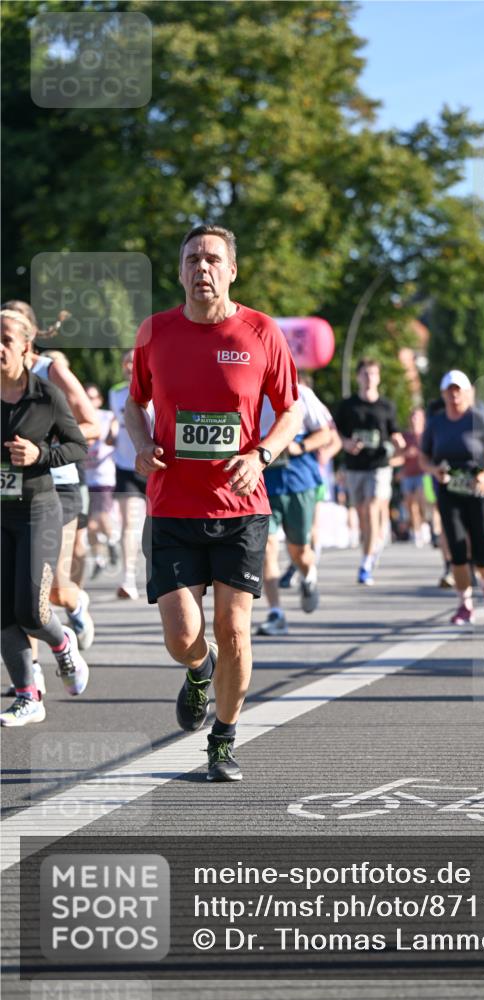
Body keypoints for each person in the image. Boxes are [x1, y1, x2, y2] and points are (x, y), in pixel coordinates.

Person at [124, 224, 300, 782]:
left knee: (234, 628)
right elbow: (134, 404)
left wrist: (262, 454)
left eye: (213, 259)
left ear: (231, 271)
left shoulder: (261, 332)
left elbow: (290, 410)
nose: (202, 268)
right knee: (181, 634)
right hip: (173, 503)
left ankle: (223, 738)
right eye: (192, 259)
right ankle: (199, 671)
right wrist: (142, 444)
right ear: (179, 273)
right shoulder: (155, 333)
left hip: (240, 507)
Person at [1, 308, 90, 726]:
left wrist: (41, 456)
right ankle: (27, 695)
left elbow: (77, 445)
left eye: (5, 340)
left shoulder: (44, 395)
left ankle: (62, 643)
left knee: (33, 612)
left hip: (38, 510)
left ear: (25, 347)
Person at [420, 370, 484, 625]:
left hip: (476, 488)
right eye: (450, 390)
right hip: (448, 490)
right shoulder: (435, 423)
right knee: (456, 547)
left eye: (459, 390)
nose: (454, 395)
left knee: (481, 549)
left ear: (468, 393)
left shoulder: (479, 420)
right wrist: (433, 470)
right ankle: (464, 603)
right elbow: (424, 456)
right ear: (443, 394)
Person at [256, 380, 334, 636]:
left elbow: (325, 433)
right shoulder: (249, 389)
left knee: (299, 551)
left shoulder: (301, 392)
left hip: (299, 483)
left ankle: (309, 574)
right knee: (267, 547)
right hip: (264, 484)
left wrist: (299, 446)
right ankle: (276, 612)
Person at [335, 358, 405, 585]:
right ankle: (372, 545)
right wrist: (346, 444)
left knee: (373, 506)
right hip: (355, 466)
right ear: (358, 377)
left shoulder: (386, 406)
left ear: (379, 378)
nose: (369, 378)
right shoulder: (348, 405)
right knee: (362, 512)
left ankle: (366, 562)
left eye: (373, 374)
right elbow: (335, 433)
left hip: (379, 465)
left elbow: (393, 432)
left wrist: (399, 443)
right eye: (365, 374)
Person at [109, 349, 151, 600]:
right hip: (126, 465)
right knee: (128, 524)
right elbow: (115, 421)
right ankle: (127, 578)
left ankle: (158, 572)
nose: (129, 366)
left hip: (155, 465)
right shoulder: (115, 393)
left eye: (134, 362)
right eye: (126, 362)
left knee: (156, 523)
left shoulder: (158, 391)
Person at [84, 383, 120, 577]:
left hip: (104, 477)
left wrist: (112, 434)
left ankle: (113, 543)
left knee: (95, 520)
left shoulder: (107, 417)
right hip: (86, 478)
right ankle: (99, 557)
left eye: (92, 397)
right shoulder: (78, 418)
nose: (89, 401)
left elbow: (115, 437)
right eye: (86, 397)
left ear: (99, 400)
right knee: (88, 524)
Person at [400, 407, 430, 547]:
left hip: (423, 474)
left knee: (421, 501)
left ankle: (424, 525)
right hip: (408, 474)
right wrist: (406, 454)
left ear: (423, 419)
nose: (414, 420)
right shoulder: (405, 436)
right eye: (412, 417)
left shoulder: (427, 435)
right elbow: (398, 455)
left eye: (417, 417)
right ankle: (417, 531)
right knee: (411, 505)